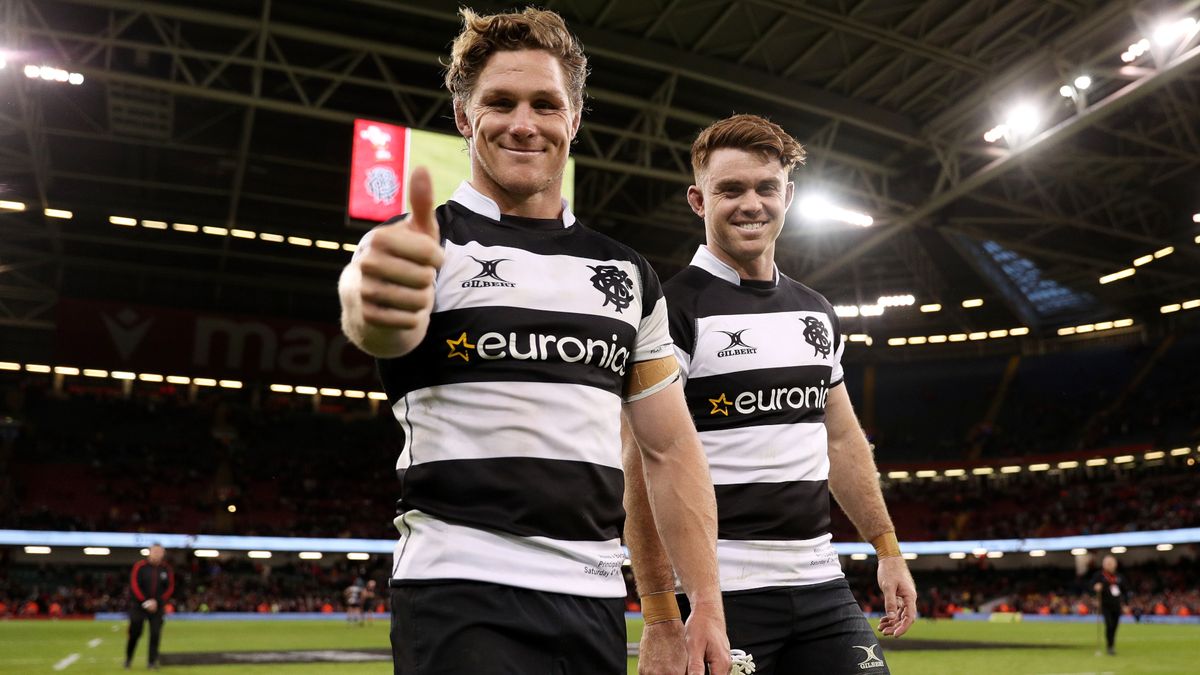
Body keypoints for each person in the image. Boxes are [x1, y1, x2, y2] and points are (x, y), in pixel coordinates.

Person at [337, 7, 729, 674]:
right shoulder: (421, 245)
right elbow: (376, 311)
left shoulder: (628, 275)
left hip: (594, 600)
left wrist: (693, 610)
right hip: (458, 590)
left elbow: (667, 449)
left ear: (573, 119)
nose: (524, 123)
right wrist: (372, 300)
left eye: (546, 104)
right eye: (500, 102)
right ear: (464, 117)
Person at [624, 114, 918, 675]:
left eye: (765, 187)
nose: (750, 204)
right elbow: (641, 465)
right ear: (698, 199)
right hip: (719, 595)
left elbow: (842, 441)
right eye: (729, 189)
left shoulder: (817, 311)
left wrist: (887, 550)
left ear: (789, 194)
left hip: (821, 583)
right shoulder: (671, 311)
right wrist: (660, 615)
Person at [125, 543, 174, 670]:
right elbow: (134, 585)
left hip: (158, 607)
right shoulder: (139, 567)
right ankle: (129, 658)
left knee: (155, 634)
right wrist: (145, 601)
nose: (157, 554)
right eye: (155, 551)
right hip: (138, 606)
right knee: (135, 632)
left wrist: (158, 601)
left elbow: (170, 587)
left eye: (160, 552)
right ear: (149, 552)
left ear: (163, 554)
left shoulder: (166, 569)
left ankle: (152, 662)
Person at [1091, 554, 1129, 655]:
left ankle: (1111, 644)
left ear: (1115, 564)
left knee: (1115, 626)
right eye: (1107, 563)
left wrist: (1125, 604)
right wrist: (1095, 587)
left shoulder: (1119, 577)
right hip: (1105, 605)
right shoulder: (1099, 576)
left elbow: (1125, 592)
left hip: (1117, 605)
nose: (1109, 565)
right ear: (1104, 565)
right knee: (1109, 624)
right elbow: (1091, 586)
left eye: (1111, 563)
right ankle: (1110, 646)